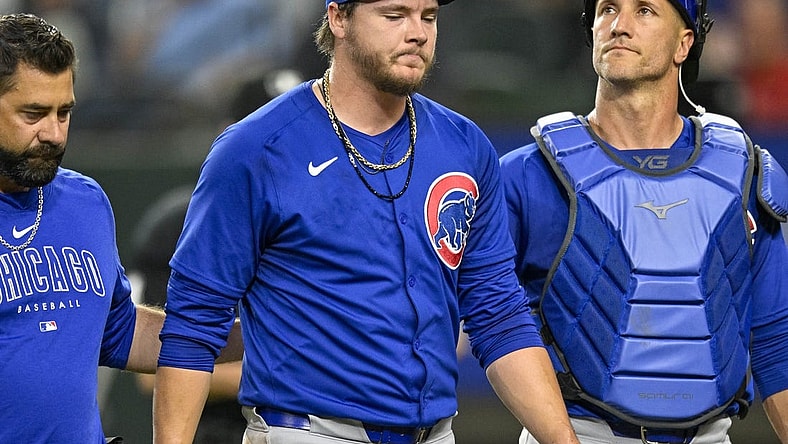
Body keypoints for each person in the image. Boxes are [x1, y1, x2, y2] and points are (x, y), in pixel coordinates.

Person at [153, 1, 580, 443]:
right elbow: (194, 324)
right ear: (338, 18)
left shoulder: (465, 146)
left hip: (436, 433)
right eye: (395, 16)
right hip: (311, 431)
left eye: (428, 17)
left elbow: (499, 317)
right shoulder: (254, 150)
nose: (417, 32)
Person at [499, 0, 788, 443]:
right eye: (607, 9)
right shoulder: (528, 174)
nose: (619, 25)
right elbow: (483, 322)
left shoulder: (742, 170)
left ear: (684, 43)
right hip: (577, 431)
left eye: (645, 10)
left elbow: (775, 340)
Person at [0, 12, 163, 443]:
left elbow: (120, 333)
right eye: (33, 114)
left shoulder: (85, 202)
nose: (53, 134)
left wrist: (256, 331)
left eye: (64, 112)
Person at [130, 187, 246, 443]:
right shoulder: (178, 224)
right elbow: (153, 373)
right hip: (208, 428)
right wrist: (262, 376)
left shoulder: (291, 222)